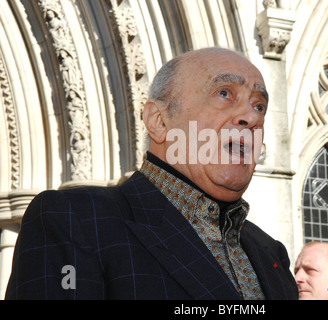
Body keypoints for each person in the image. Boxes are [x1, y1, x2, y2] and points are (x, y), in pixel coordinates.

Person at [5, 47, 298, 300]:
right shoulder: (74, 220)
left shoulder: (271, 254)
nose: (251, 117)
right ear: (158, 121)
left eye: (259, 105)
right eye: (224, 93)